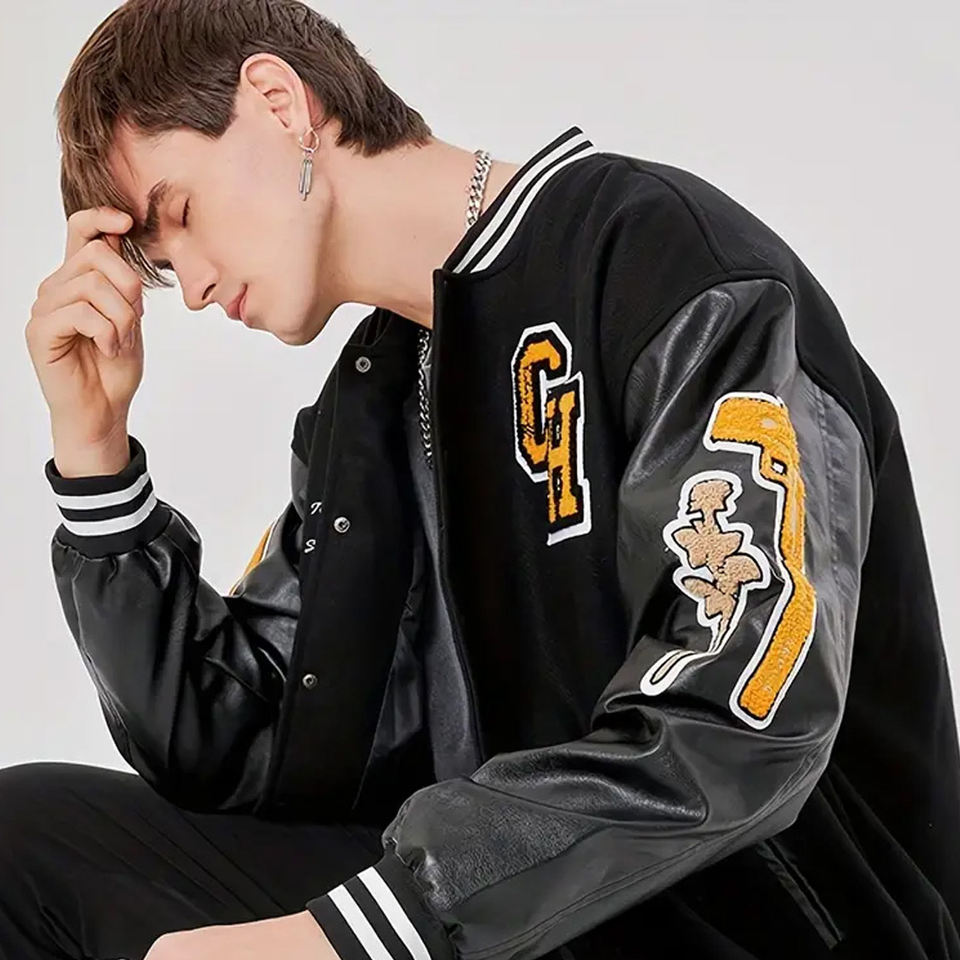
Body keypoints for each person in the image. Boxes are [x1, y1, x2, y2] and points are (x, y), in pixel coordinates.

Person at [18, 0, 960, 958]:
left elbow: (742, 720)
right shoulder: (371, 407)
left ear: (277, 102)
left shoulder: (663, 265)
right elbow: (244, 743)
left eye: (181, 216)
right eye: (162, 266)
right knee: (25, 843)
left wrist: (364, 933)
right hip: (503, 926)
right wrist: (95, 454)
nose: (194, 286)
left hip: (749, 928)